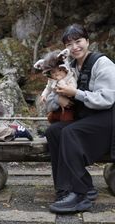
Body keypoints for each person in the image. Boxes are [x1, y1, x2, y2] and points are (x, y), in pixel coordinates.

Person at [44, 23, 115, 213]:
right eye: (70, 43)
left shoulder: (103, 63)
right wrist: (58, 98)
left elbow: (107, 99)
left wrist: (75, 93)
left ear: (88, 41)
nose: (75, 47)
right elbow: (53, 94)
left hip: (108, 118)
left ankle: (83, 193)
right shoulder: (70, 66)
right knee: (54, 131)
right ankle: (65, 189)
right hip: (88, 118)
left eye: (79, 41)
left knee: (70, 132)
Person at [34, 48, 77, 123]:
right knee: (52, 117)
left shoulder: (69, 78)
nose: (57, 73)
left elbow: (73, 88)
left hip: (69, 102)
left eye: (59, 70)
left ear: (65, 69)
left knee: (67, 117)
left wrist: (67, 88)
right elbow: (48, 88)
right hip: (57, 103)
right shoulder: (52, 80)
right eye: (53, 72)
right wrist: (44, 95)